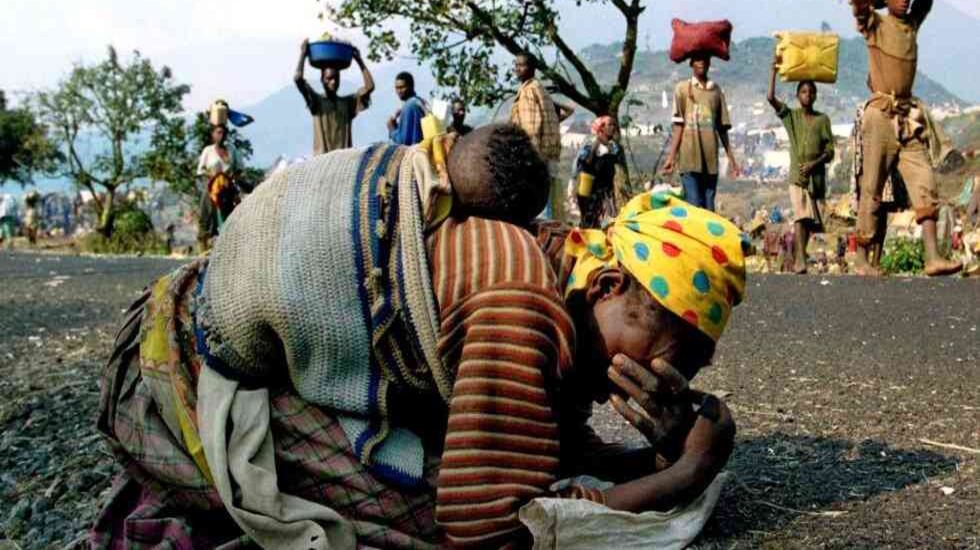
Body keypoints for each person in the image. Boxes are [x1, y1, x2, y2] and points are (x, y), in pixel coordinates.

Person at [93, 127, 742, 549]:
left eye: (685, 370)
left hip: (193, 322)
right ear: (604, 287)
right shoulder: (523, 301)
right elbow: (492, 529)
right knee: (425, 518)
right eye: (664, 351)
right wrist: (683, 476)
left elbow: (551, 438)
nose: (664, 376)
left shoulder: (555, 258)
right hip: (180, 381)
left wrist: (647, 456)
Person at [844, 0, 961, 277]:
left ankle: (932, 257)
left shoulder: (911, 24)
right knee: (872, 188)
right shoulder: (874, 24)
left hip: (908, 117)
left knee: (924, 181)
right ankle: (862, 260)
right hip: (880, 115)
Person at [767, 61, 835, 275]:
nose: (807, 95)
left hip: (815, 179)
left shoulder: (822, 120)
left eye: (811, 92)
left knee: (808, 219)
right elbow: (770, 98)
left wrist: (814, 164)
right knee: (799, 215)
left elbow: (830, 150)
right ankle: (799, 260)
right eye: (803, 91)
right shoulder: (792, 117)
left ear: (815, 96)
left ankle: (801, 255)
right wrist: (773, 72)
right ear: (798, 96)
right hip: (797, 177)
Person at [663, 53, 740, 211]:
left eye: (704, 59)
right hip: (689, 159)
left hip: (710, 161)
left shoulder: (716, 91)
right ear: (691, 63)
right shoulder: (682, 89)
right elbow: (678, 125)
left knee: (709, 208)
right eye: (697, 59)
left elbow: (722, 128)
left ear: (709, 62)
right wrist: (671, 156)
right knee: (693, 206)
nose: (701, 63)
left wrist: (731, 158)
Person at [294, 38, 375, 155]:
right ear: (322, 80)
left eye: (336, 78)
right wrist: (303, 54)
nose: (333, 82)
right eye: (329, 78)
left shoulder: (347, 103)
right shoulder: (317, 101)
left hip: (344, 161)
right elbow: (298, 79)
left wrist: (359, 60)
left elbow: (370, 87)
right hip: (322, 161)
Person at [511, 53, 565, 220]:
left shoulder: (528, 92)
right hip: (548, 153)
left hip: (536, 153)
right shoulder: (540, 89)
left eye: (522, 65)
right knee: (548, 200)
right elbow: (562, 113)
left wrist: (529, 156)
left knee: (537, 203)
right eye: (516, 65)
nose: (518, 69)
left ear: (532, 68)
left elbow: (531, 127)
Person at [196, 102, 242, 252]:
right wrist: (212, 181)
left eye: (223, 132)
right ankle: (204, 244)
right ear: (213, 134)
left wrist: (230, 179)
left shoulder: (232, 149)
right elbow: (201, 171)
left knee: (235, 214)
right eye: (218, 132)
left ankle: (232, 246)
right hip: (211, 188)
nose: (221, 136)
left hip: (228, 188)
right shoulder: (208, 151)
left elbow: (239, 169)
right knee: (206, 213)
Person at [574, 116, 624, 228]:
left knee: (609, 221)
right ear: (601, 128)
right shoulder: (591, 144)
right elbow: (583, 164)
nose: (613, 128)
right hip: (592, 191)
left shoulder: (613, 147)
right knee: (590, 220)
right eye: (609, 125)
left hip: (607, 191)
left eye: (614, 125)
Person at [388, 72, 426, 146]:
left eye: (402, 87)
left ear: (411, 86)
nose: (399, 91)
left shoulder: (409, 106)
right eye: (397, 88)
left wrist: (391, 128)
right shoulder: (419, 101)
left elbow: (403, 141)